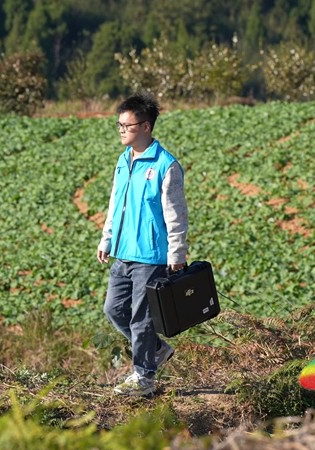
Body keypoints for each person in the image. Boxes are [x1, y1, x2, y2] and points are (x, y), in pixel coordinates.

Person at [96, 93, 189, 396]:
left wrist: (177, 253)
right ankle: (157, 351)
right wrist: (107, 238)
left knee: (141, 317)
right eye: (119, 125)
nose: (121, 130)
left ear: (146, 126)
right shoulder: (124, 161)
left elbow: (176, 215)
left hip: (150, 256)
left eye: (128, 125)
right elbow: (115, 203)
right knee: (113, 309)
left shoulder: (166, 165)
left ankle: (144, 377)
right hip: (123, 252)